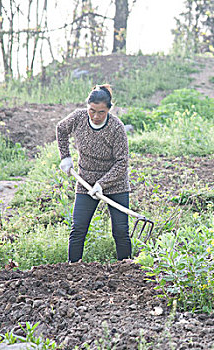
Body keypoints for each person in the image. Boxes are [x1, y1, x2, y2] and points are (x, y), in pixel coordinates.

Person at [56, 84, 131, 262]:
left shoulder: (116, 128)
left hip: (116, 183)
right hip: (85, 182)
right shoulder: (78, 118)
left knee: (120, 231)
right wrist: (65, 157)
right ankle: (72, 268)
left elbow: (122, 163)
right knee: (78, 228)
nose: (96, 116)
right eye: (92, 110)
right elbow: (61, 129)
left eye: (101, 112)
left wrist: (102, 184)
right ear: (87, 107)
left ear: (109, 110)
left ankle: (127, 269)